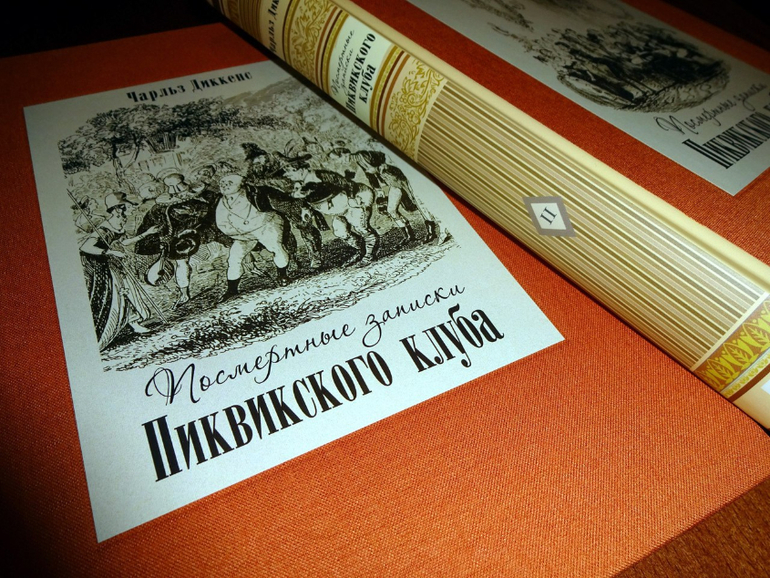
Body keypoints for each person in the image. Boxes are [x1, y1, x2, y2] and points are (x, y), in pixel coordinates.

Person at [79, 192, 158, 350]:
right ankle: (121, 325)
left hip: (112, 262)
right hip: (99, 265)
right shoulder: (104, 228)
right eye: (126, 205)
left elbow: (124, 242)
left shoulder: (120, 221)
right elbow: (85, 247)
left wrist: (146, 234)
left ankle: (133, 322)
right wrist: (110, 252)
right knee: (120, 292)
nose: (130, 208)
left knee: (127, 289)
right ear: (117, 208)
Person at [215, 174, 294, 300]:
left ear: (240, 184)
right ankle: (232, 290)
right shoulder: (220, 201)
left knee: (276, 248)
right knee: (234, 259)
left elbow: (276, 204)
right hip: (242, 235)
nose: (225, 186)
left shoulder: (253, 193)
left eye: (229, 183)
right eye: (222, 183)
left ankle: (282, 275)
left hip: (265, 226)